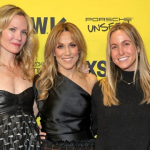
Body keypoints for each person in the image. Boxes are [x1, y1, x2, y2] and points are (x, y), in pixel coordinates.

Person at [35, 22, 97, 150]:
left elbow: (101, 120)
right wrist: (33, 130)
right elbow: (25, 116)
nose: (67, 52)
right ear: (53, 51)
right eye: (60, 46)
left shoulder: (91, 80)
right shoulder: (41, 82)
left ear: (79, 49)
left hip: (86, 147)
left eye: (72, 45)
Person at [91, 22, 150, 150]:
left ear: (138, 47)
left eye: (126, 44)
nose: (121, 52)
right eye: (114, 47)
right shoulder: (101, 88)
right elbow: (90, 128)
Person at [0, 4, 43, 149]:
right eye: (12, 29)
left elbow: (33, 113)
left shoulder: (29, 72)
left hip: (29, 144)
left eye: (24, 32)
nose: (19, 37)